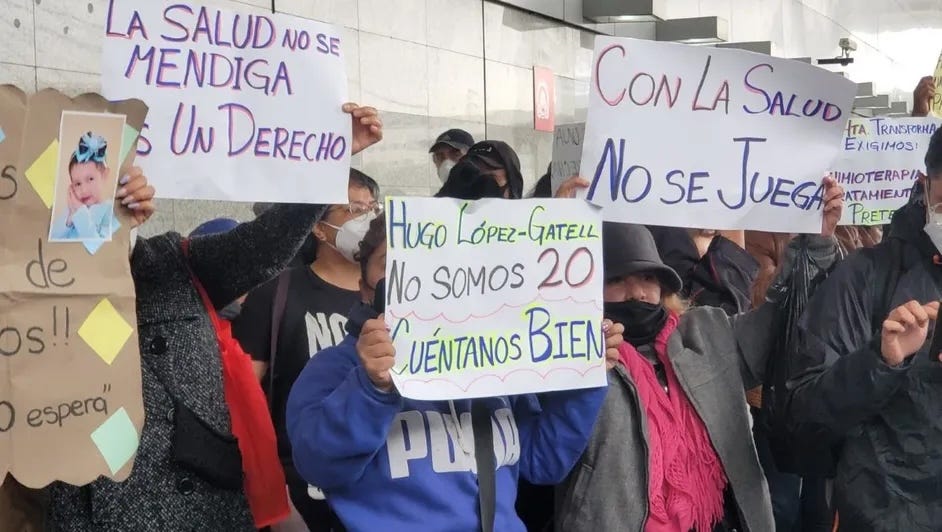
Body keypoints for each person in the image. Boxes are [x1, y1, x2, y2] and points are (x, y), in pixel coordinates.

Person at [47, 103, 383, 532]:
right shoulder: (27, 301)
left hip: (206, 512)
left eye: (100, 179)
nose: (87, 193)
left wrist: (328, 159)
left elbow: (263, 246)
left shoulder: (176, 262)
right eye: (73, 184)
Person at [284, 213, 624, 531]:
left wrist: (585, 379)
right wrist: (371, 389)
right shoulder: (334, 368)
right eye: (394, 264)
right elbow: (317, 465)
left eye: (432, 263)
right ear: (365, 288)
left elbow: (542, 462)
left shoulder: (495, 364)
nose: (415, 278)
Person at [553, 176, 843, 532]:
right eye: (616, 281)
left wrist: (816, 244)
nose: (636, 293)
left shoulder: (706, 333)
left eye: (648, 278)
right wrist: (558, 240)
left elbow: (783, 322)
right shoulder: (572, 353)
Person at [785, 125, 942, 530]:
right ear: (924, 186)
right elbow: (805, 411)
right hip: (884, 512)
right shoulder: (865, 276)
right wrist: (882, 361)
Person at [233, 169, 381, 532]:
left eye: (373, 209)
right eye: (353, 210)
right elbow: (243, 399)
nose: (366, 219)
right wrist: (269, 490)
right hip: (300, 494)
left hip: (379, 491)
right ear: (317, 227)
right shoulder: (276, 292)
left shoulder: (393, 300)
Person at [50, 132, 114, 240]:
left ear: (104, 175)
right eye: (78, 184)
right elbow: (52, 238)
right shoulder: (70, 211)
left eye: (90, 179)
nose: (83, 190)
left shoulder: (109, 211)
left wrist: (80, 212)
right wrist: (69, 219)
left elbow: (97, 245)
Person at [436, 140, 525, 200]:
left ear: (512, 185)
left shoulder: (526, 220)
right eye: (471, 178)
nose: (481, 186)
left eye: (491, 177)